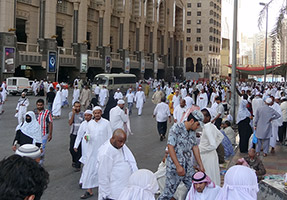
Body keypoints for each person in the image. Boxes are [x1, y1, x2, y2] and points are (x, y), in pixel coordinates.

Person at [158, 110, 205, 200]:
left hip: (188, 166)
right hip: (174, 167)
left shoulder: (192, 132)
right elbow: (170, 147)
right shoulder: (176, 128)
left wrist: (201, 165)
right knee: (168, 193)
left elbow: (195, 147)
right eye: (198, 124)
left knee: (194, 187)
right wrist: (178, 166)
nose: (198, 127)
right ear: (192, 121)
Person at [79, 106, 112, 199]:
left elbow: (110, 136)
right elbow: (87, 134)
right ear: (93, 114)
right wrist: (87, 137)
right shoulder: (90, 124)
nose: (97, 115)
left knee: (103, 171)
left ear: (101, 113)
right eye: (95, 113)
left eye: (98, 113)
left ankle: (104, 191)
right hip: (92, 152)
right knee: (90, 170)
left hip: (103, 151)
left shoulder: (106, 123)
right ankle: (89, 191)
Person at [97, 129, 138, 200]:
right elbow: (103, 175)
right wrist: (105, 195)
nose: (122, 144)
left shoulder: (120, 146)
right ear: (113, 138)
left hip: (124, 189)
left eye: (124, 142)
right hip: (113, 194)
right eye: (120, 141)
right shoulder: (106, 153)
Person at [199, 109, 224, 186]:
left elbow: (212, 145)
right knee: (213, 175)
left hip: (207, 156)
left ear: (208, 117)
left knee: (208, 176)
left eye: (202, 116)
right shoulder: (211, 126)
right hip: (212, 154)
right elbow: (220, 136)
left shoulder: (207, 128)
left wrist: (201, 149)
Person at [34, 99, 53, 165]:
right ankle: (35, 162)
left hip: (44, 133)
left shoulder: (47, 112)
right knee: (35, 148)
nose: (39, 106)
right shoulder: (34, 112)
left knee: (42, 148)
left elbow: (50, 123)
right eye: (38, 105)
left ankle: (40, 163)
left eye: (41, 105)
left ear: (43, 105)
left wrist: (50, 134)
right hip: (35, 134)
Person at [68, 101, 84, 171]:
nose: (77, 108)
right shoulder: (71, 113)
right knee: (71, 149)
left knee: (79, 150)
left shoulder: (83, 114)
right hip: (73, 133)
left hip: (81, 134)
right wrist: (73, 114)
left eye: (78, 106)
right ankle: (74, 160)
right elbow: (70, 123)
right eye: (76, 106)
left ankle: (78, 165)